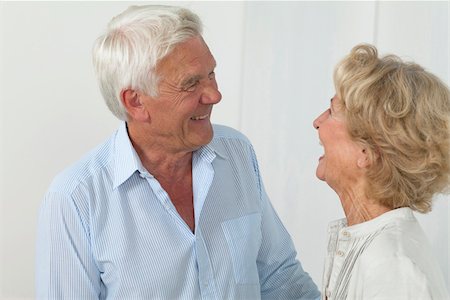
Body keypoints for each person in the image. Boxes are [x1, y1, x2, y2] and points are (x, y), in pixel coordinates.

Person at [36, 5, 320, 299]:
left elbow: (279, 278)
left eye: (211, 74)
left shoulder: (236, 153)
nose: (214, 94)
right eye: (191, 83)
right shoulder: (75, 199)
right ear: (135, 102)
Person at [313, 43, 450, 299]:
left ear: (368, 152)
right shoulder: (375, 249)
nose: (317, 122)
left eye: (332, 111)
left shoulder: (392, 270)